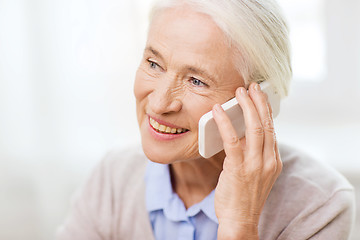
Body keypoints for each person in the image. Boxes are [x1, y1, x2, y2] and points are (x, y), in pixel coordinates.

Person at [56, 0, 355, 239]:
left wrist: (240, 227)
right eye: (153, 63)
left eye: (197, 81)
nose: (159, 104)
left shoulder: (318, 206)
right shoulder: (112, 180)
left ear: (258, 99)